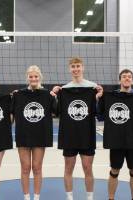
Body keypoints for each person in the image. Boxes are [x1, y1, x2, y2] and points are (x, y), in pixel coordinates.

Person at [51, 57, 103, 200]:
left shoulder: (92, 87)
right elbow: (55, 111)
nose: (76, 69)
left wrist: (98, 96)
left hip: (87, 134)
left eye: (78, 66)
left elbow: (98, 112)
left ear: (82, 67)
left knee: (88, 168)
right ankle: (69, 197)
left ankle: (90, 197)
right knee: (68, 169)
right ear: (70, 69)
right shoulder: (65, 89)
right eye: (73, 66)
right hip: (70, 136)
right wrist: (54, 95)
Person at [11, 65, 57, 200]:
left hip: (40, 135)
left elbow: (56, 112)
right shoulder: (19, 95)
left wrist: (54, 97)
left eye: (36, 76)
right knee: (25, 168)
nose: (33, 78)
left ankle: (36, 197)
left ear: (40, 77)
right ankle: (26, 197)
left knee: (37, 168)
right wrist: (13, 96)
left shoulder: (47, 95)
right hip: (23, 135)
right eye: (31, 76)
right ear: (27, 78)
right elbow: (11, 115)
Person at [98, 69, 133, 200]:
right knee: (114, 171)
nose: (127, 79)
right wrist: (100, 99)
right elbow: (100, 116)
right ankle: (111, 198)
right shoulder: (111, 96)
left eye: (129, 77)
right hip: (116, 140)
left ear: (132, 80)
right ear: (120, 80)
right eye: (124, 76)